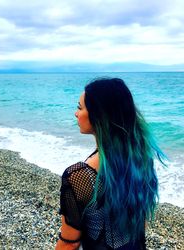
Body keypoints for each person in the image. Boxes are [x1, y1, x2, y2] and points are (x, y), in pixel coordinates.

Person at [55, 78, 165, 250]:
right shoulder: (141, 159)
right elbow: (139, 225)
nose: (76, 113)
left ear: (99, 115)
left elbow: (69, 243)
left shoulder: (78, 175)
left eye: (79, 107)